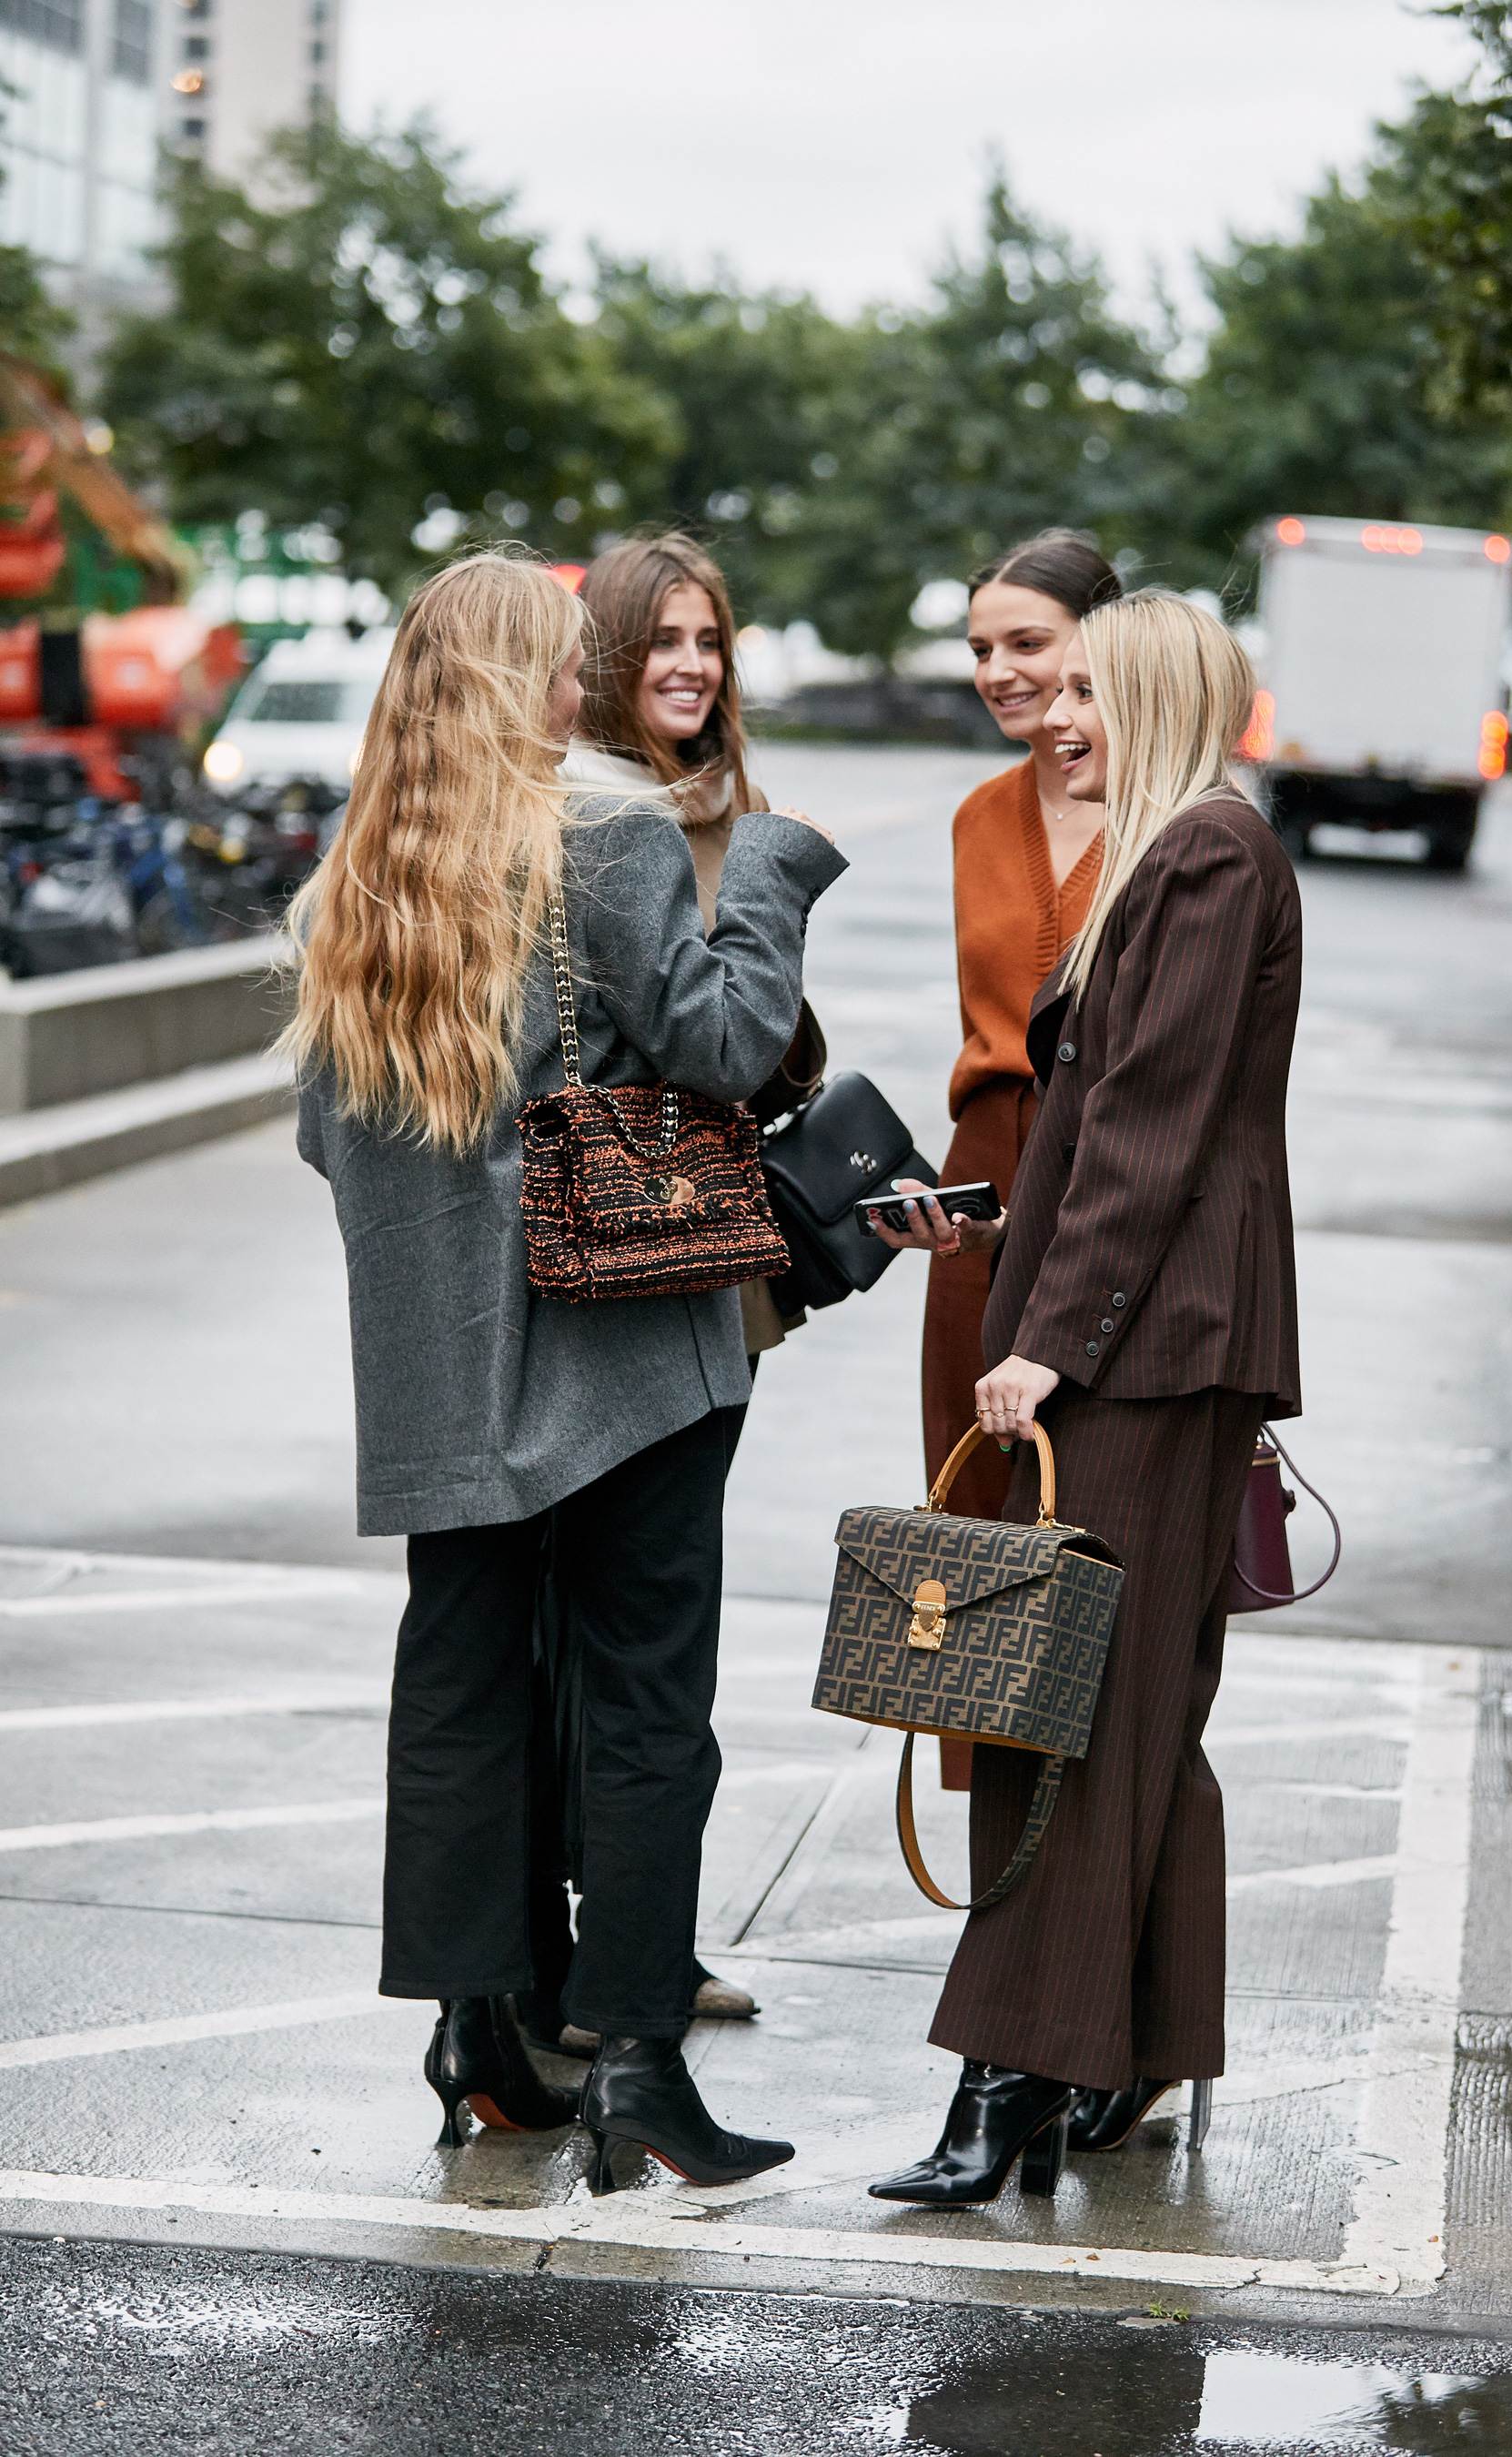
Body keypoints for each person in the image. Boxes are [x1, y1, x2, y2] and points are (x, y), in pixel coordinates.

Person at [285, 551, 845, 2190]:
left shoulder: (356, 874)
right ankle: (640, 2074)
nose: (578, 693)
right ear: (523, 680)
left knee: (461, 1688)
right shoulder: (600, 833)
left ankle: (480, 2031)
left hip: (438, 1370)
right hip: (623, 1355)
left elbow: (330, 1135)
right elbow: (727, 1045)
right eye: (561, 666)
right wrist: (771, 878)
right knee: (646, 1700)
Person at [868, 590, 1301, 2206]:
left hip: (1141, 1346)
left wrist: (1048, 1336)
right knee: (1125, 1716)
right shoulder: (1182, 852)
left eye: (1093, 699)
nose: (1059, 720)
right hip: (1160, 1336)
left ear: (1165, 704)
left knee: (1063, 1713)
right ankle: (1114, 2054)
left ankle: (1014, 2082)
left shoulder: (1199, 855)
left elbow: (1148, 1125)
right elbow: (1100, 1126)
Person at [546, 532, 823, 2052]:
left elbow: (764, 1038)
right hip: (581, 1255)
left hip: (703, 1263)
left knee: (666, 1631)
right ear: (602, 655)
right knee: (578, 1636)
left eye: (710, 639)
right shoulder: (584, 813)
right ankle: (593, 1952)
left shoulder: (736, 811)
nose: (692, 666)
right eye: (661, 639)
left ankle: (644, 1937)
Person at [919, 532, 1122, 1529]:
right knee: (971, 1498)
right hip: (986, 1165)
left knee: (1088, 1504)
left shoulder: (1167, 821)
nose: (997, 673)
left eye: (1025, 643)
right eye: (979, 650)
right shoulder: (978, 817)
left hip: (1111, 1175)